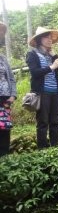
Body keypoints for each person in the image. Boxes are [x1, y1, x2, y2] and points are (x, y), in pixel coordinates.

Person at [26, 27, 58, 149]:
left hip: (55, 92)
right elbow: (35, 72)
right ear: (39, 39)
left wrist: (55, 55)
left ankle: (55, 147)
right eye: (46, 37)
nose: (49, 40)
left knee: (55, 122)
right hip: (42, 93)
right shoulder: (32, 54)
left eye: (50, 38)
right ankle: (42, 149)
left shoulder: (51, 55)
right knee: (43, 122)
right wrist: (51, 67)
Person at [0, 22, 16, 156]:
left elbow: (11, 78)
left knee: (4, 127)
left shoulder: (3, 59)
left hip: (5, 99)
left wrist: (13, 95)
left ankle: (4, 157)